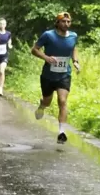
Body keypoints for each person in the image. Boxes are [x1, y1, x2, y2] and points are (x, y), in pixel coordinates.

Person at [30, 12, 81, 144]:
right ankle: (42, 106)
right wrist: (46, 57)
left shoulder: (73, 36)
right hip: (48, 75)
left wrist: (75, 61)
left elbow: (73, 48)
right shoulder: (48, 35)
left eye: (68, 21)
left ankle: (61, 132)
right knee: (47, 101)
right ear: (57, 23)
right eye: (63, 21)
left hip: (64, 74)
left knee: (62, 101)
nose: (66, 24)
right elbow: (34, 49)